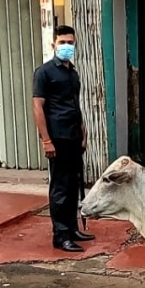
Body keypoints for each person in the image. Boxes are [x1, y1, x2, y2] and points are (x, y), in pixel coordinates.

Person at [32, 25, 94, 252]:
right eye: (62, 42)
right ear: (53, 45)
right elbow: (38, 108)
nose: (67, 46)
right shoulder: (44, 72)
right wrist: (46, 140)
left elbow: (75, 105)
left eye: (71, 43)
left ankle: (72, 228)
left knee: (73, 185)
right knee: (60, 187)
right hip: (57, 136)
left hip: (74, 136)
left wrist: (83, 131)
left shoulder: (72, 73)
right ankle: (60, 235)